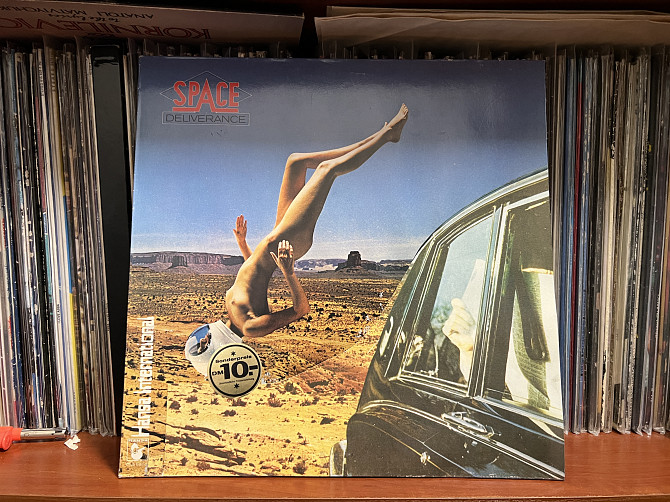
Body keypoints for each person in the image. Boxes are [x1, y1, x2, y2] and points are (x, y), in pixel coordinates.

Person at [225, 104, 409, 339]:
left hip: (274, 238)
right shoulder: (250, 328)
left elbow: (255, 272)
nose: (205, 339)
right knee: (326, 170)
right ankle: (385, 136)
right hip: (287, 244)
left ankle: (376, 137)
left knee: (295, 162)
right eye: (205, 344)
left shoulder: (229, 312)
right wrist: (289, 272)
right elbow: (301, 310)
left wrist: (242, 243)